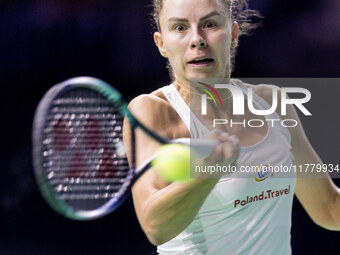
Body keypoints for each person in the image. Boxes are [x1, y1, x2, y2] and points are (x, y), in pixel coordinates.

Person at [123, 0, 340, 254]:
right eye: (180, 28)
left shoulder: (273, 103)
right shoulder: (152, 112)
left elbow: (328, 208)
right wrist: (207, 173)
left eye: (210, 24)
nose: (197, 39)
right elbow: (155, 227)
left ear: (233, 33)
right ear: (161, 44)